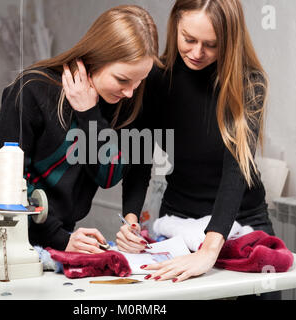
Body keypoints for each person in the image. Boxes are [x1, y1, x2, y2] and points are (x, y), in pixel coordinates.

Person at [118, 0, 279, 299]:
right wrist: (129, 219)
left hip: (242, 219)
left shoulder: (248, 84)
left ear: (229, 42)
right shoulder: (155, 79)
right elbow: (138, 158)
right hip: (180, 217)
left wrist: (209, 249)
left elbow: (236, 170)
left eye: (211, 45)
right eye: (188, 39)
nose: (196, 52)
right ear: (175, 25)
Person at [0, 5, 160, 254]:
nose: (130, 92)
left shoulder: (123, 101)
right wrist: (59, 238)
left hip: (63, 239)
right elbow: (7, 180)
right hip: (12, 239)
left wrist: (89, 114)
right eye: (122, 80)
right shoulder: (31, 91)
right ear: (95, 59)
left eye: (139, 81)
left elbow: (109, 175)